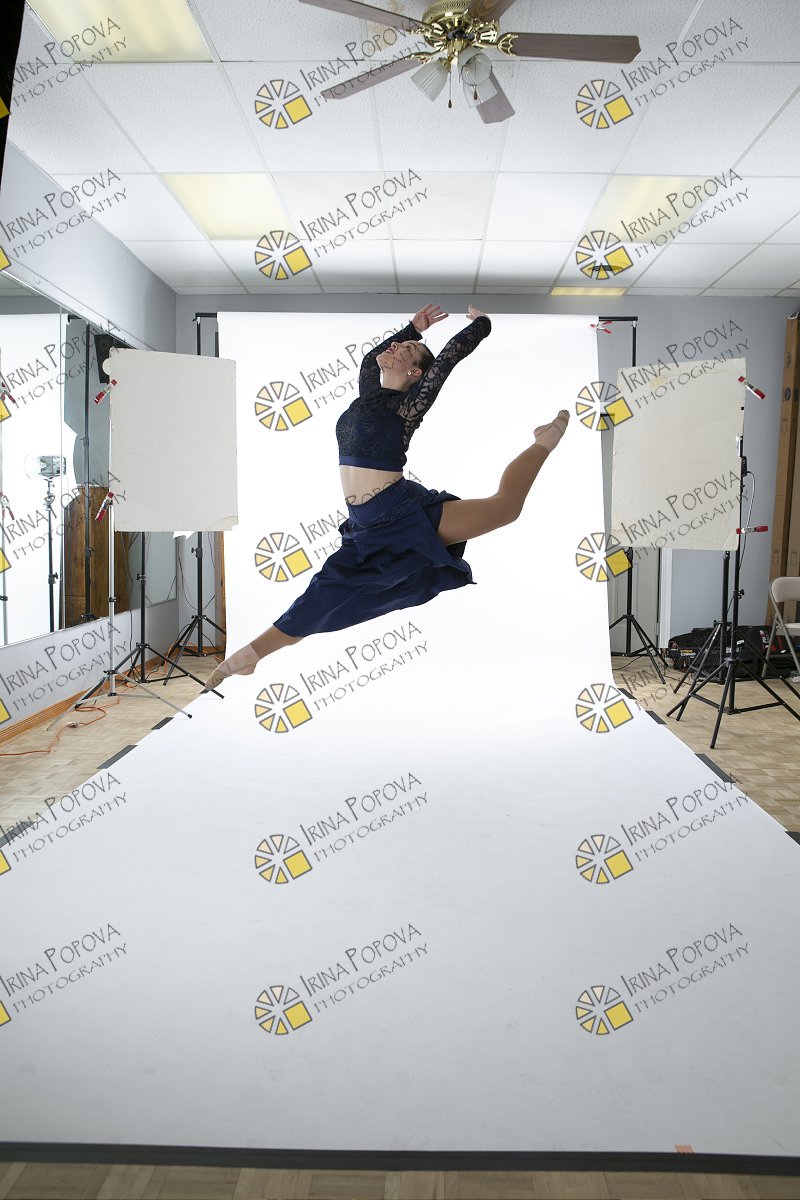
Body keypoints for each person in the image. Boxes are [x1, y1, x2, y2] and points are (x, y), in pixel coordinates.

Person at [205, 304, 568, 691]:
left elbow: (450, 356)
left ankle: (545, 440)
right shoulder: (369, 394)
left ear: (415, 374)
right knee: (325, 592)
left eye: (406, 351)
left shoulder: (408, 408)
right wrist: (413, 329)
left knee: (506, 508)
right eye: (399, 346)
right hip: (365, 523)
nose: (395, 348)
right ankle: (248, 657)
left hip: (400, 511)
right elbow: (369, 358)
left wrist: (482, 323)